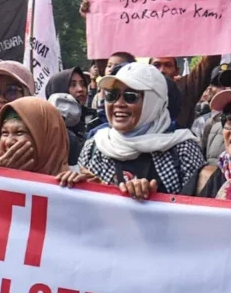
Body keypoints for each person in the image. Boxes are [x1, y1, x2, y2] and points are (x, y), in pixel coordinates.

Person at [57, 62, 204, 200]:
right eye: (112, 95)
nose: (118, 104)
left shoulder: (183, 151)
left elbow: (198, 210)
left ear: (154, 102)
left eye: (130, 96)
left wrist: (153, 200)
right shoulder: (95, 147)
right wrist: (76, 186)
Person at [0, 96, 70, 175]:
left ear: (46, 139)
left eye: (19, 132)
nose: (8, 142)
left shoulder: (69, 181)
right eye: (5, 133)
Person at [45, 67, 97, 131]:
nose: (80, 89)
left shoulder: (95, 119)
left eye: (83, 84)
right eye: (73, 85)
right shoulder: (47, 129)